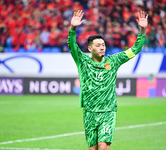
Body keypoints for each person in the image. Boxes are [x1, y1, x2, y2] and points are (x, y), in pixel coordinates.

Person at [67, 10, 148, 150]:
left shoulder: (114, 60)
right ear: (89, 48)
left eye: (103, 45)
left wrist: (142, 31)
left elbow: (135, 49)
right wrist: (73, 29)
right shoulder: (82, 60)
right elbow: (72, 45)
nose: (102, 47)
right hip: (89, 112)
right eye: (98, 45)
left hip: (108, 111)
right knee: (92, 149)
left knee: (103, 146)